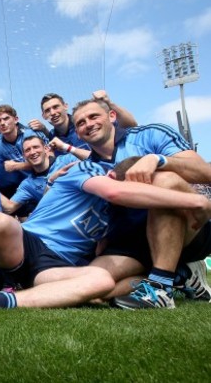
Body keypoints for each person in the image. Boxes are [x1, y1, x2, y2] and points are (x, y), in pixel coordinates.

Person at [0, 156, 211, 311]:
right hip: (29, 243)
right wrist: (197, 201)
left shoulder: (120, 213)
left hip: (53, 267)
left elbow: (104, 243)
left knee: (101, 280)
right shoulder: (86, 170)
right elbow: (115, 190)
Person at [72, 98, 211, 308]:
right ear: (77, 133)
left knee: (164, 180)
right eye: (80, 122)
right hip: (134, 243)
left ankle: (161, 288)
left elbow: (206, 173)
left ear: (112, 116)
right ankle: (180, 275)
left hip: (187, 230)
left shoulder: (151, 134)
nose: (88, 124)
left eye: (93, 116)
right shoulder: (87, 169)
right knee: (91, 290)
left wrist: (159, 160)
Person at [28, 91, 137, 159]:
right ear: (43, 116)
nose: (52, 113)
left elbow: (131, 126)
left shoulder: (88, 122)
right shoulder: (51, 138)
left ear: (65, 106)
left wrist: (109, 103)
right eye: (47, 111)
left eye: (56, 107)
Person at [0, 104, 48, 201]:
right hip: (29, 186)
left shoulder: (31, 134)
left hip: (49, 177)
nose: (2, 123)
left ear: (16, 119)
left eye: (6, 118)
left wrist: (17, 166)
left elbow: (48, 159)